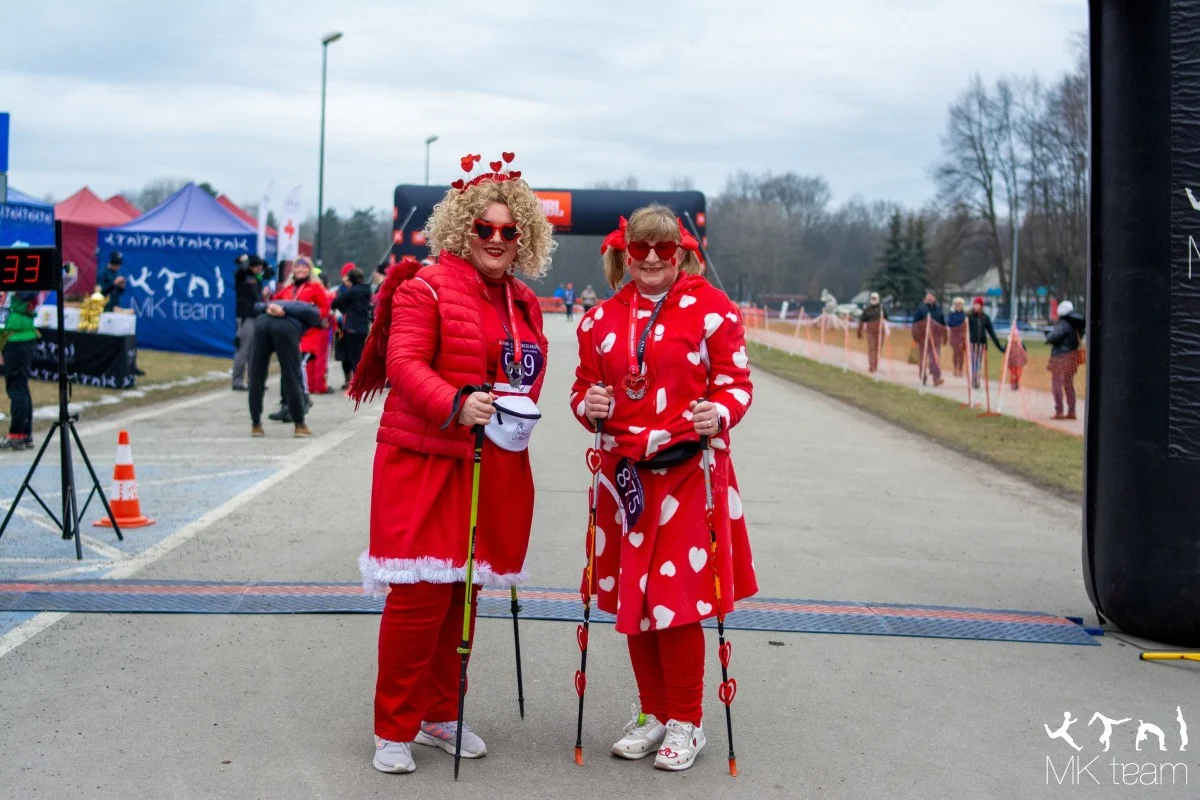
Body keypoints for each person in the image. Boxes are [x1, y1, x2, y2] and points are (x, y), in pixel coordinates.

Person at [348, 151, 555, 775]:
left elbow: (527, 371)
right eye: (484, 229)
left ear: (524, 238)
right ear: (462, 230)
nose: (496, 240)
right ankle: (394, 726)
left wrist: (517, 411)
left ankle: (441, 714)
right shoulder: (425, 286)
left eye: (508, 231)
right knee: (417, 599)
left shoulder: (525, 301)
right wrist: (457, 403)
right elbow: (405, 364)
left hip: (488, 461)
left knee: (463, 595)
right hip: (423, 459)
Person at [570, 204, 757, 773]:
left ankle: (687, 721)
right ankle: (653, 713)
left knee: (676, 603)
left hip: (688, 471)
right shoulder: (598, 320)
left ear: (682, 254)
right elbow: (583, 391)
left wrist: (718, 413)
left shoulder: (713, 310)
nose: (652, 260)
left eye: (664, 250)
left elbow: (737, 383)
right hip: (624, 478)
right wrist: (589, 406)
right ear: (622, 254)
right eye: (640, 250)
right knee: (638, 600)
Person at [248, 297, 321, 438]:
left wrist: (269, 308)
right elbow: (314, 315)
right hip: (286, 329)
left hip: (261, 324)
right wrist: (283, 310)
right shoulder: (309, 308)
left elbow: (255, 305)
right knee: (291, 375)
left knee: (256, 374)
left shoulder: (274, 303)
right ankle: (300, 425)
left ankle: (256, 424)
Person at [266, 257, 329, 423]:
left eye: (304, 267)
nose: (301, 270)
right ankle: (286, 405)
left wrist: (312, 316)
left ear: (309, 269)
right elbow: (274, 301)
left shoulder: (315, 288)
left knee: (299, 364)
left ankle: (304, 397)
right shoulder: (288, 289)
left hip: (308, 335)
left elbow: (324, 308)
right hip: (289, 334)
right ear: (293, 270)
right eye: (298, 267)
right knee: (286, 367)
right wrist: (268, 297)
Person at [0, 289, 40, 451]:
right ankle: (25, 434)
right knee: (20, 387)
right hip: (14, 339)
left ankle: (17, 434)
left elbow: (29, 292)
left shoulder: (23, 290)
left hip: (17, 340)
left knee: (16, 388)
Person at [232, 255, 273, 391]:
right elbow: (241, 266)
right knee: (243, 350)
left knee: (255, 351)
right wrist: (246, 260)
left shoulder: (257, 278)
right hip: (245, 317)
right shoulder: (241, 276)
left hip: (257, 315)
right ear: (250, 266)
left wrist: (263, 264)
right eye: (256, 267)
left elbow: (268, 271)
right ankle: (237, 381)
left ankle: (254, 381)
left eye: (260, 267)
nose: (259, 269)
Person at [332, 266, 372, 389]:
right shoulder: (367, 290)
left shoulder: (351, 291)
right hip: (363, 326)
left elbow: (335, 302)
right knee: (360, 354)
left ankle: (356, 382)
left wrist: (344, 310)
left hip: (351, 327)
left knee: (352, 356)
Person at [1046, 300, 1085, 420]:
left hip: (1060, 356)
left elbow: (1054, 337)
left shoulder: (1064, 323)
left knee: (1056, 384)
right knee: (1069, 384)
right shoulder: (1077, 324)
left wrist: (1048, 336)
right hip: (1072, 355)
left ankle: (1059, 411)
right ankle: (1072, 411)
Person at [967, 296, 1005, 389]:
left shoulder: (985, 317)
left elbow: (991, 332)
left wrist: (999, 346)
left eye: (978, 304)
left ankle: (976, 378)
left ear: (981, 306)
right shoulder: (969, 316)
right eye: (975, 304)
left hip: (982, 344)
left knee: (978, 363)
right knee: (974, 362)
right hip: (972, 343)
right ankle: (975, 378)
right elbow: (964, 330)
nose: (976, 306)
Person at [911, 290, 945, 386]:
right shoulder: (921, 309)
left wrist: (944, 334)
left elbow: (943, 324)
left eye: (932, 296)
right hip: (923, 338)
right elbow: (915, 323)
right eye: (928, 296)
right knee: (923, 358)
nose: (930, 298)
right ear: (925, 298)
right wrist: (916, 335)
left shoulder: (938, 310)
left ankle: (936, 378)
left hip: (936, 338)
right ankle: (923, 376)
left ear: (935, 298)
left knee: (935, 357)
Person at [856, 291, 888, 373]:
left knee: (878, 349)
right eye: (872, 298)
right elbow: (862, 320)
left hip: (880, 332)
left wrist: (886, 329)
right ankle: (871, 366)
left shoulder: (882, 308)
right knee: (872, 348)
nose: (873, 299)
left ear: (878, 299)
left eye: (875, 298)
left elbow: (886, 318)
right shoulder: (867, 309)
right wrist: (859, 332)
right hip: (870, 332)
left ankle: (875, 365)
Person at [946, 297, 967, 378]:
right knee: (956, 352)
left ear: (962, 305)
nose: (958, 306)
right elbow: (950, 323)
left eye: (960, 304)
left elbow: (965, 323)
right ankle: (955, 367)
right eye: (957, 304)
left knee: (961, 353)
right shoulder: (951, 314)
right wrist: (959, 324)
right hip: (954, 336)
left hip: (962, 336)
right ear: (954, 305)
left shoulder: (965, 314)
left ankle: (960, 369)